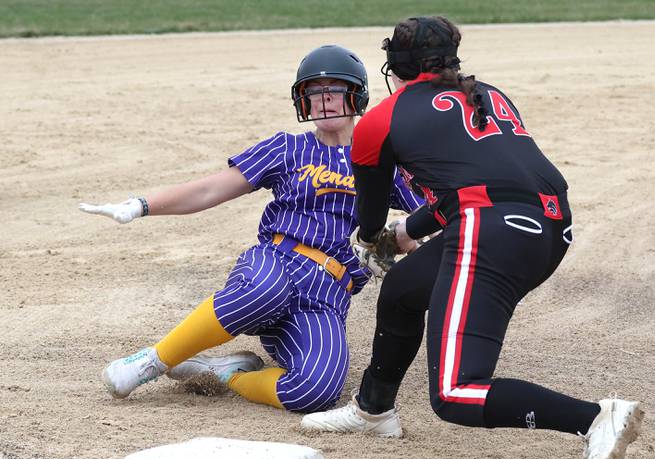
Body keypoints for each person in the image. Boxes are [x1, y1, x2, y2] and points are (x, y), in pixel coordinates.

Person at [300, 18, 644, 459]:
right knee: (403, 289)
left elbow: (372, 218)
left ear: (395, 67)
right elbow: (479, 188)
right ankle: (373, 409)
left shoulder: (382, 119)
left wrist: (375, 241)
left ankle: (594, 419)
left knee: (455, 393)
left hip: (492, 233)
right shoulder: (490, 94)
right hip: (549, 227)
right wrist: (410, 231)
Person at [78, 45, 423, 412]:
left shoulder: (381, 162)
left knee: (317, 391)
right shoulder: (287, 148)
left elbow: (433, 217)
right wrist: (140, 205)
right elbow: (211, 189)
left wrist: (399, 240)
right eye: (313, 91)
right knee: (267, 290)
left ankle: (225, 374)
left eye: (334, 88)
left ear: (357, 94)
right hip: (276, 263)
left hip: (326, 296)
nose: (323, 99)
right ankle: (152, 361)